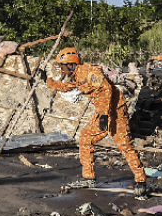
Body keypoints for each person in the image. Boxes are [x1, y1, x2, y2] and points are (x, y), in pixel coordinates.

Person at [44, 47, 149, 198]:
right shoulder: (77, 76)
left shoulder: (90, 71)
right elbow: (68, 88)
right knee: (86, 138)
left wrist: (105, 116)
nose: (61, 69)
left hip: (115, 112)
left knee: (124, 145)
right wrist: (48, 82)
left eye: (62, 65)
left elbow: (107, 90)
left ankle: (141, 181)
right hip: (102, 113)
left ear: (71, 64)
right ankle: (89, 178)